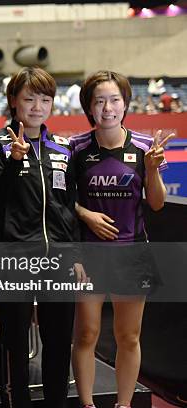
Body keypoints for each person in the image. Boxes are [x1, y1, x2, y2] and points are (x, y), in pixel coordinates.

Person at [70, 70, 172, 408]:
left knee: (128, 337)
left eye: (115, 100)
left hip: (132, 254)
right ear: (89, 107)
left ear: (125, 103)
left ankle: (124, 404)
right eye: (99, 101)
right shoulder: (77, 148)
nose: (108, 107)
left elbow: (156, 203)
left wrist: (153, 169)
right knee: (86, 334)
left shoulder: (144, 147)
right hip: (90, 256)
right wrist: (86, 214)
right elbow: (63, 200)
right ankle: (86, 404)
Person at [0, 67, 83, 408]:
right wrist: (14, 161)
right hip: (14, 255)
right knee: (14, 341)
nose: (37, 107)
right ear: (14, 101)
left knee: (58, 341)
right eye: (29, 99)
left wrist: (73, 253)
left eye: (45, 100)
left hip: (57, 257)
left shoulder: (62, 147)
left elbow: (68, 205)